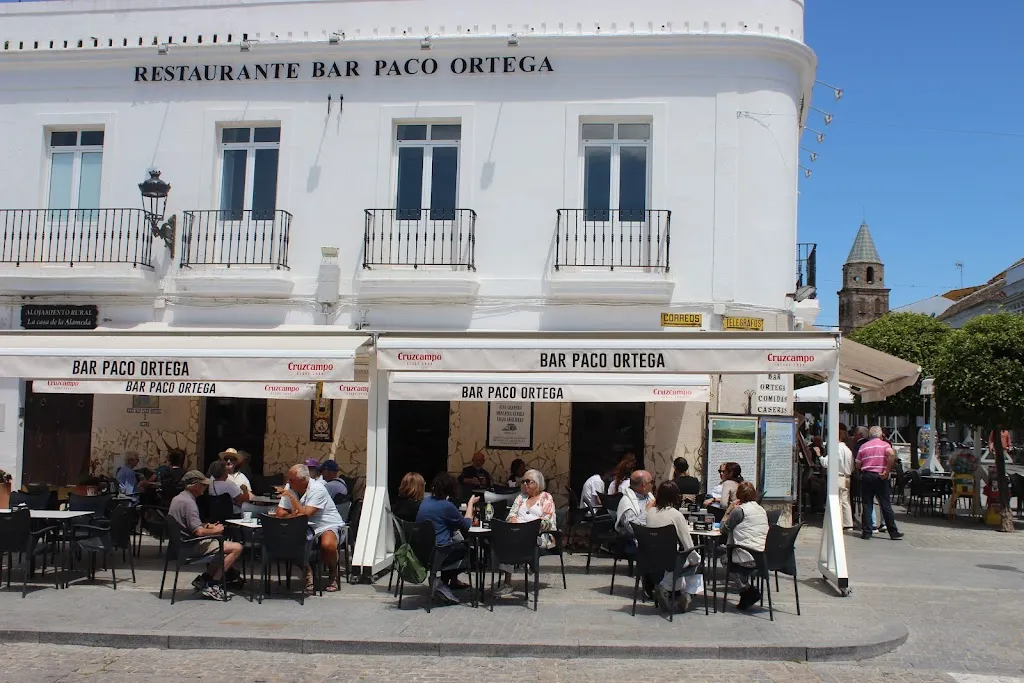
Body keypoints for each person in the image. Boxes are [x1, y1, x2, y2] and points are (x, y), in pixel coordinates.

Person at [167, 470, 243, 601]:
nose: (205, 487)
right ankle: (213, 584)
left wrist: (207, 526)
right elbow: (199, 532)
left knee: (222, 549)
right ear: (195, 486)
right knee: (236, 548)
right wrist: (216, 530)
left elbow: (190, 524)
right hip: (190, 546)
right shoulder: (189, 503)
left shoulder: (178, 499)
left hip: (179, 545)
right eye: (203, 485)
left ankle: (205, 578)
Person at [274, 464, 347, 592]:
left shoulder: (317, 489)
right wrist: (293, 515)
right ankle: (307, 571)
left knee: (328, 545)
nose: (288, 482)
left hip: (326, 524)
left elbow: (305, 514)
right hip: (303, 525)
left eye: (292, 479)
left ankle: (333, 574)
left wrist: (291, 499)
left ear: (303, 480)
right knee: (287, 541)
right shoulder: (289, 487)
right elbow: (280, 512)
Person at [416, 472, 479, 605]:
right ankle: (441, 584)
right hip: (439, 553)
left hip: (422, 553)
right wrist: (470, 505)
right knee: (471, 552)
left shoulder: (425, 501)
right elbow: (466, 525)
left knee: (454, 543)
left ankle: (442, 584)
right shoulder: (447, 506)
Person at [493, 469, 557, 597]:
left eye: (528, 481)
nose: (525, 484)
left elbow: (548, 521)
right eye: (523, 482)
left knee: (514, 542)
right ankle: (508, 582)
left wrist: (530, 526)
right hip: (518, 532)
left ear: (537, 483)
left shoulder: (546, 497)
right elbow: (511, 514)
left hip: (538, 534)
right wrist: (513, 520)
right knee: (506, 542)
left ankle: (526, 563)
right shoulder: (520, 497)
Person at [646, 481, 704, 613]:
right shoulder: (676, 515)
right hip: (671, 560)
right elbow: (688, 544)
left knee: (682, 564)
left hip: (651, 558)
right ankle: (686, 594)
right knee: (698, 563)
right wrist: (696, 560)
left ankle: (670, 589)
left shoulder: (650, 512)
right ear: (675, 496)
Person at [721, 481, 769, 610]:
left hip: (748, 557)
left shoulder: (739, 511)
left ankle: (748, 590)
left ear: (738, 495)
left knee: (725, 559)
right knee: (733, 557)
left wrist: (728, 511)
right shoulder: (761, 509)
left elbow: (723, 529)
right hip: (763, 555)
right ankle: (745, 597)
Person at [855, 426, 903, 541]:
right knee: (885, 504)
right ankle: (893, 532)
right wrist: (887, 471)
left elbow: (857, 464)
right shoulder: (885, 445)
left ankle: (867, 532)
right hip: (880, 476)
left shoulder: (863, 446)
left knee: (867, 504)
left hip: (867, 475)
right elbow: (891, 455)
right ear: (880, 435)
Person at [820, 423, 854, 530]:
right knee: (845, 501)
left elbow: (827, 463)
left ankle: (838, 523)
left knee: (837, 500)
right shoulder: (848, 450)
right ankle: (848, 523)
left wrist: (820, 456)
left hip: (837, 476)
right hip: (847, 476)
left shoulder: (836, 449)